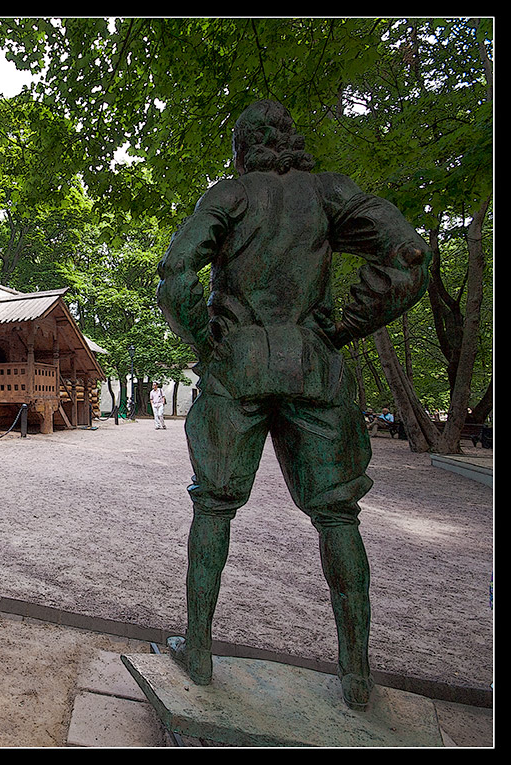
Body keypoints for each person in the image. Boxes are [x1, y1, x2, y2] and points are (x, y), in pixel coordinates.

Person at [156, 99, 430, 710]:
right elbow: (409, 253)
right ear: (289, 140)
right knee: (338, 518)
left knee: (215, 506)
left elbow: (176, 272)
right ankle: (356, 673)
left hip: (241, 364)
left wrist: (208, 343)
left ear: (242, 147)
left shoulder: (228, 196)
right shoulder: (329, 193)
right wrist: (344, 328)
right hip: (313, 363)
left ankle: (198, 649)